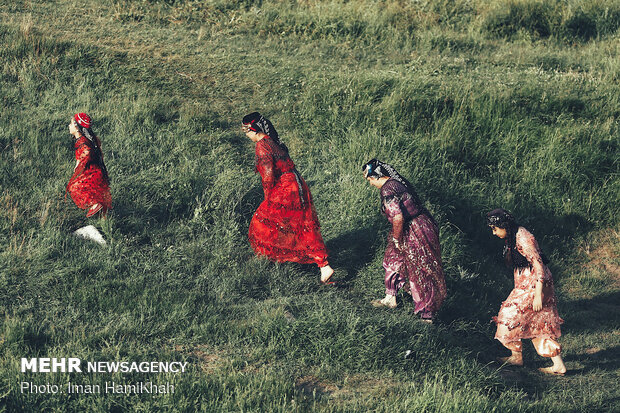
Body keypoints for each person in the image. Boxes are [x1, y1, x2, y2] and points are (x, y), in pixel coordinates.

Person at [242, 112, 334, 284]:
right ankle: (323, 265)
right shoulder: (272, 141)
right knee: (302, 224)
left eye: (246, 132)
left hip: (285, 188)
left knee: (262, 221)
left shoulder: (262, 145)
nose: (246, 136)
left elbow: (268, 175)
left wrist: (268, 195)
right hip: (297, 183)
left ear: (253, 130)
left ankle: (272, 257)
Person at [363, 159, 446, 322]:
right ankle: (390, 298)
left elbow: (398, 217)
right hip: (415, 226)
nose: (371, 184)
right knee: (393, 258)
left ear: (378, 176)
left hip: (416, 230)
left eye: (370, 179)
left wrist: (396, 238)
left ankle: (427, 314)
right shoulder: (395, 184)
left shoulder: (388, 189)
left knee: (420, 268)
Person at [487, 208, 566, 375]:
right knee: (536, 321)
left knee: (510, 314)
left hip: (536, 284)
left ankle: (527, 358)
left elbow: (539, 266)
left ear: (504, 225)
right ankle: (519, 357)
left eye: (495, 228)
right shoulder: (512, 236)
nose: (494, 233)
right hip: (526, 283)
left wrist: (538, 294)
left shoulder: (523, 238)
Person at [66, 113, 112, 218]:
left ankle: (96, 205)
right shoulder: (82, 140)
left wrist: (81, 163)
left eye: (71, 124)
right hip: (94, 170)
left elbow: (86, 150)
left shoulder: (83, 142)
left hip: (93, 172)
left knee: (74, 187)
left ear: (77, 128)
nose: (69, 126)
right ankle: (100, 212)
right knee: (87, 189)